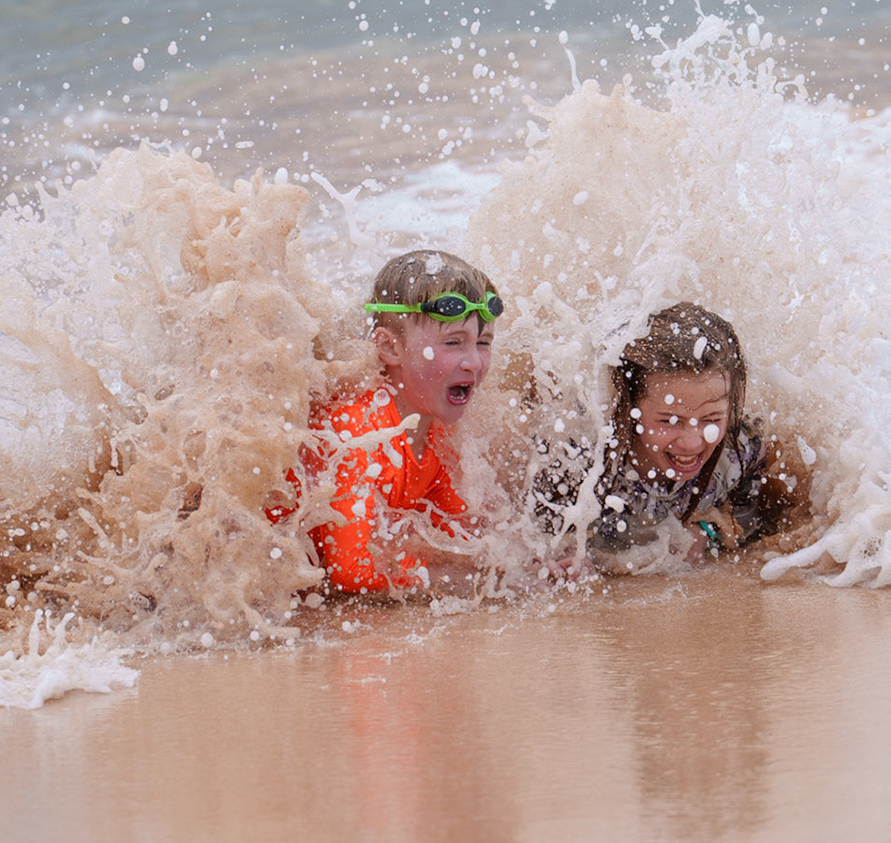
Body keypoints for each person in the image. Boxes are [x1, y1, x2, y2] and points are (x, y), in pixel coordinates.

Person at [278, 249, 502, 595]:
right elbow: (351, 570)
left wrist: (531, 569)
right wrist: (457, 580)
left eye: (483, 342)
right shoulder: (357, 433)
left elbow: (464, 536)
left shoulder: (432, 437)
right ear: (390, 347)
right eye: (453, 342)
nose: (474, 362)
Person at [543, 303, 801, 573]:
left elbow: (761, 517)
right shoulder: (582, 456)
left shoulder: (742, 453)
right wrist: (567, 554)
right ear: (628, 408)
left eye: (711, 419)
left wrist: (709, 533)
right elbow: (533, 533)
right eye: (669, 421)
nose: (692, 443)